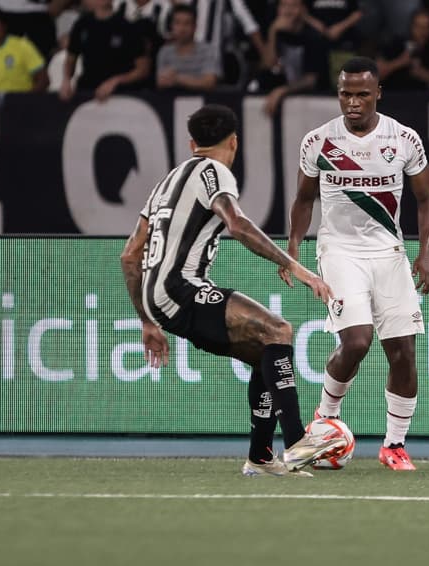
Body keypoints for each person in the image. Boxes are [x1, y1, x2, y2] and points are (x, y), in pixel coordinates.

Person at [120, 104, 345, 476]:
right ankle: (298, 445)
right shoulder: (214, 171)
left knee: (266, 353)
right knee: (279, 330)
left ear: (192, 142)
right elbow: (237, 224)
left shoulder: (166, 182)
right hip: (181, 288)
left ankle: (260, 458)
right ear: (234, 142)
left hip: (156, 297)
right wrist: (295, 267)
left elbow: (130, 255)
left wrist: (147, 319)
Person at [280, 57, 429, 471]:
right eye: (346, 93)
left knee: (403, 351)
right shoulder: (318, 142)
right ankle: (325, 419)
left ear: (378, 94)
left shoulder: (403, 139)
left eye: (362, 94)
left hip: (389, 253)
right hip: (339, 252)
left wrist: (425, 254)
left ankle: (394, 445)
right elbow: (303, 199)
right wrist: (293, 247)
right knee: (357, 341)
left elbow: (427, 199)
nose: (353, 102)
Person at [60, 0, 150, 101]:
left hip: (120, 94)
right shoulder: (81, 24)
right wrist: (66, 79)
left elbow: (143, 69)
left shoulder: (126, 26)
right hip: (87, 91)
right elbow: (70, 59)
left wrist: (116, 81)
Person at [260, 0, 329, 116]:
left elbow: (310, 80)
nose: (287, 10)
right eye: (283, 5)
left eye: (293, 6)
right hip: (285, 103)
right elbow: (268, 65)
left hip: (314, 103)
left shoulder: (313, 37)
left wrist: (283, 90)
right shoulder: (278, 33)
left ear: (303, 10)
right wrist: (272, 32)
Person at [156, 4, 219, 92]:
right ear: (171, 26)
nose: (182, 29)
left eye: (187, 23)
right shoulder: (165, 52)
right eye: (177, 23)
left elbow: (209, 82)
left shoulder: (207, 50)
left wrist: (177, 78)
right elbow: (161, 82)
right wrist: (195, 81)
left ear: (194, 27)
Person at [376, 8, 429, 91]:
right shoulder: (397, 45)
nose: (423, 31)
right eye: (418, 26)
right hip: (395, 97)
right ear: (411, 27)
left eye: (427, 27)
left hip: (425, 99)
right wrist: (400, 62)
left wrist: (424, 74)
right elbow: (376, 74)